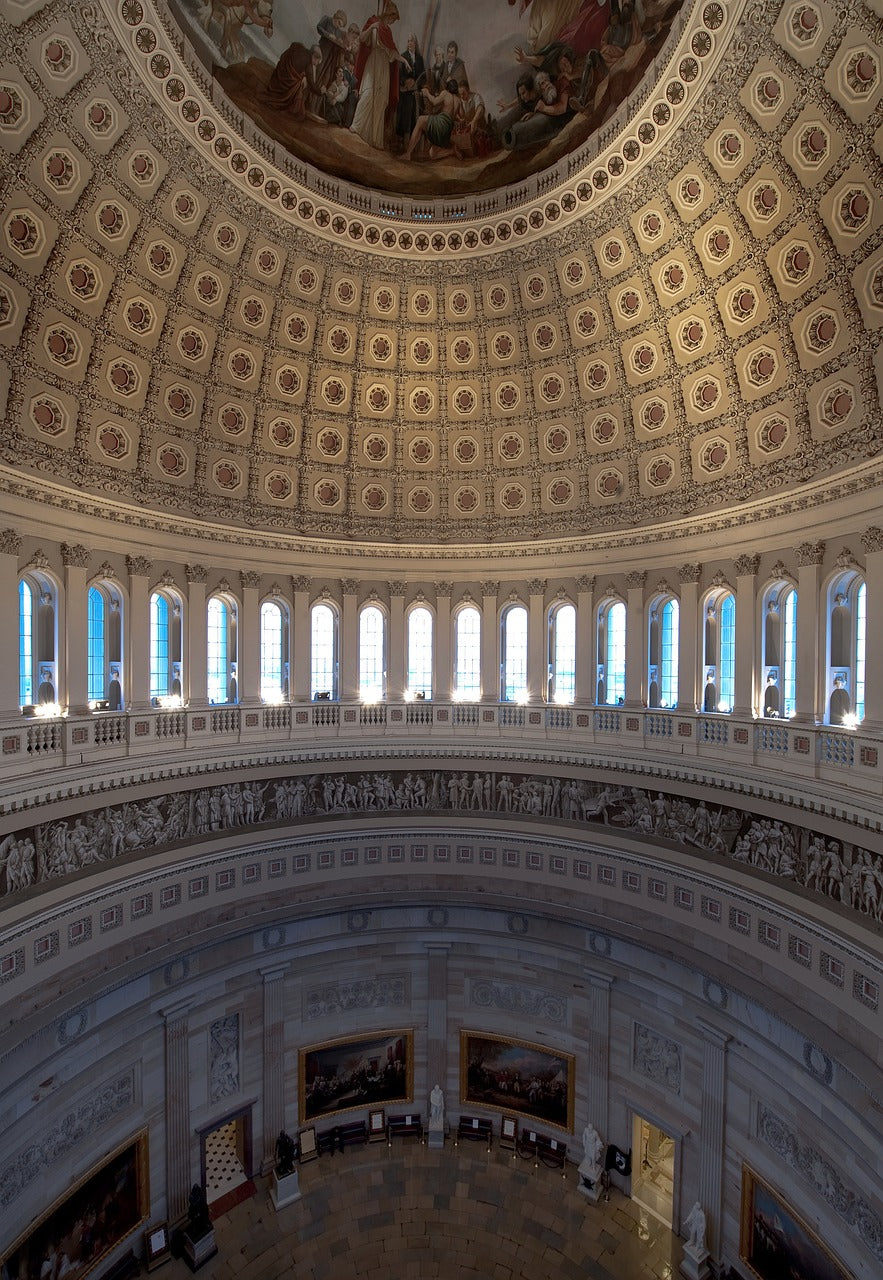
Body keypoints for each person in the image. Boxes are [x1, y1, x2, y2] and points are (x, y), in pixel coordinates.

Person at [350, 0, 400, 150]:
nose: (391, 22)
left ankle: (375, 138)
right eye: (391, 18)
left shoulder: (388, 31)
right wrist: (372, 26)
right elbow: (362, 38)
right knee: (367, 92)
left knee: (380, 100)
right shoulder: (372, 21)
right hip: (373, 62)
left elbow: (393, 52)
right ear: (387, 14)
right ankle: (357, 126)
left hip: (384, 67)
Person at [403, 79, 460, 161]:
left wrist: (427, 93)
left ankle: (408, 154)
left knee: (420, 120)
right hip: (447, 130)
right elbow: (460, 116)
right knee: (432, 154)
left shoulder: (445, 93)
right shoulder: (458, 100)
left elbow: (434, 102)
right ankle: (451, 151)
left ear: (448, 87)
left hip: (441, 124)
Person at [395, 34, 425, 149]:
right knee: (407, 109)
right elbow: (399, 76)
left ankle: (414, 141)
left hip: (416, 91)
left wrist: (416, 83)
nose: (410, 43)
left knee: (417, 111)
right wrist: (406, 82)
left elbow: (422, 76)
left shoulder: (419, 58)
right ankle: (405, 140)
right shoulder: (403, 56)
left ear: (415, 43)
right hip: (405, 91)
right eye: (408, 41)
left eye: (412, 41)